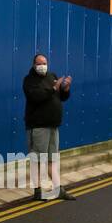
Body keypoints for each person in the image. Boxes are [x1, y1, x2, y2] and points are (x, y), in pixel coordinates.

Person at [22, 53, 75, 201]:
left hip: (53, 126)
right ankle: (37, 191)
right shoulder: (29, 80)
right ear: (34, 65)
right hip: (38, 127)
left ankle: (58, 190)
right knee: (38, 160)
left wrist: (65, 89)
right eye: (39, 64)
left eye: (44, 63)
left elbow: (60, 97)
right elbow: (35, 97)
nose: (42, 66)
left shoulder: (52, 76)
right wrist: (53, 88)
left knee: (52, 160)